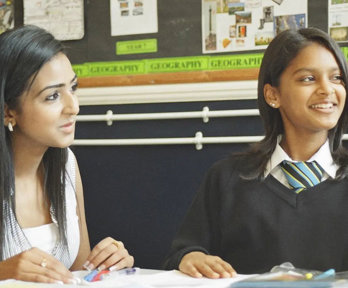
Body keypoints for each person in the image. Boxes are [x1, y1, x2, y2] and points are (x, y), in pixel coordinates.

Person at [163, 27, 348, 278]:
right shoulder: (227, 178)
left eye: (336, 78)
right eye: (308, 78)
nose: (327, 89)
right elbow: (183, 253)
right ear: (273, 95)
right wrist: (190, 257)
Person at [0, 25, 134, 284]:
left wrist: (106, 263)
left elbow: (75, 272)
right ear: (8, 112)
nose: (73, 107)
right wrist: (4, 271)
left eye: (73, 87)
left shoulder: (66, 166)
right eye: (52, 96)